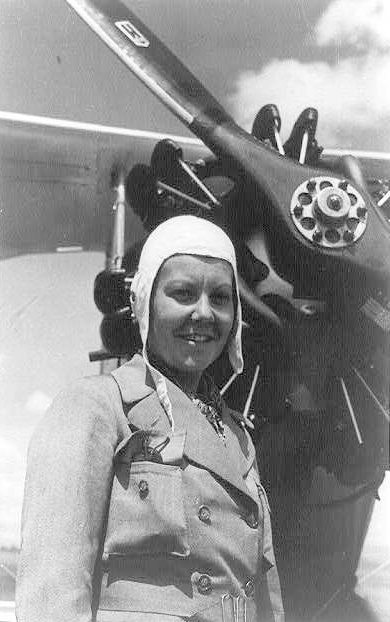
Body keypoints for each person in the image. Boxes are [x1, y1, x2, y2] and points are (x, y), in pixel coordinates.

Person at [16, 215, 284, 622]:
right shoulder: (96, 406)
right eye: (183, 293)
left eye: (220, 297)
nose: (204, 313)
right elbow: (51, 593)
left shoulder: (236, 435)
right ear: (146, 302)